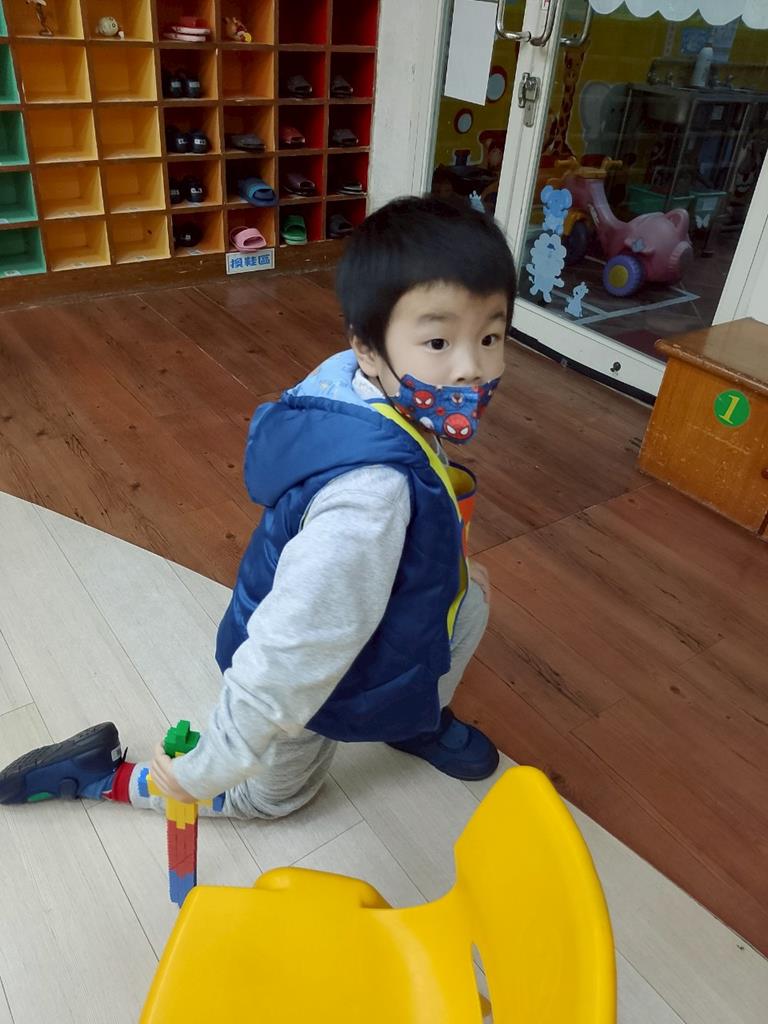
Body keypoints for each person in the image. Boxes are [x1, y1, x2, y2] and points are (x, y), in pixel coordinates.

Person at [0, 195, 516, 820]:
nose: (470, 368)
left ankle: (414, 719)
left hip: (375, 617)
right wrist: (214, 761)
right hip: (317, 668)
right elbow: (294, 649)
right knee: (271, 798)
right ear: (369, 349)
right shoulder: (369, 496)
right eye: (438, 340)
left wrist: (446, 565)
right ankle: (102, 779)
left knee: (471, 601)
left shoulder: (363, 384)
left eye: (490, 336)